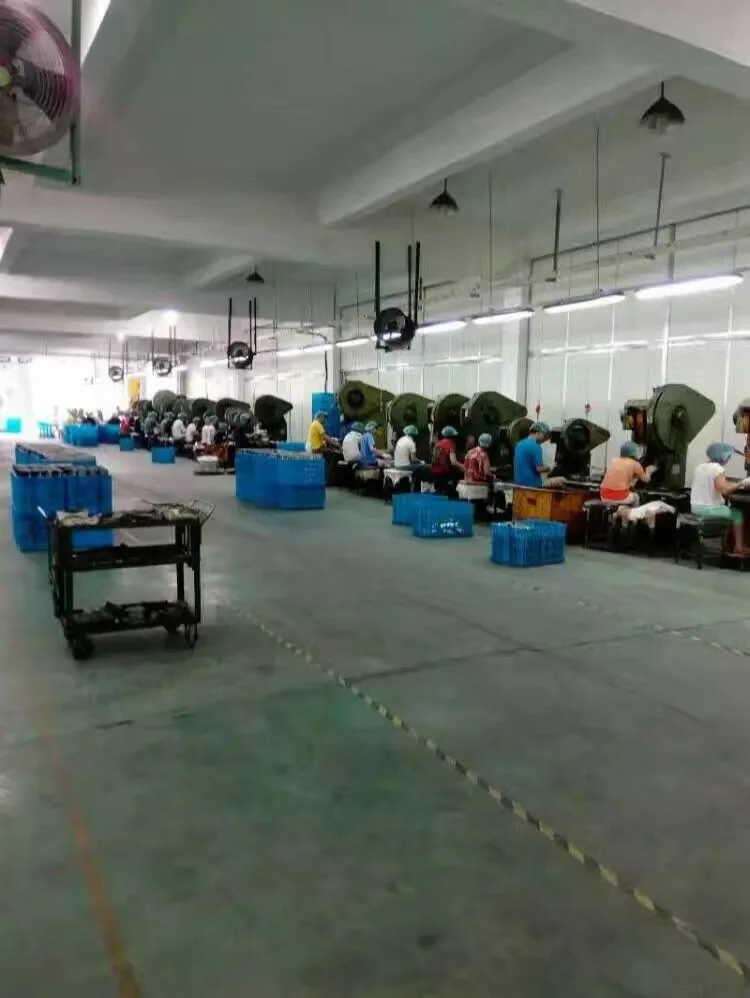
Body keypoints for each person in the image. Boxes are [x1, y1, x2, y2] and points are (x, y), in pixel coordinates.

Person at [691, 442, 750, 554]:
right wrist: (742, 483)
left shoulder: (700, 467)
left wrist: (733, 485)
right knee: (737, 513)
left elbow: (717, 486)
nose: (728, 459)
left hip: (695, 508)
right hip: (709, 510)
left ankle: (726, 546)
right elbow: (724, 490)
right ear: (722, 455)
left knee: (730, 511)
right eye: (728, 456)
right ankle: (739, 547)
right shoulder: (717, 469)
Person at [513, 422, 550, 487]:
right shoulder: (536, 446)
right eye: (544, 435)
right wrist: (549, 467)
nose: (544, 438)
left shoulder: (519, 444)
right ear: (538, 433)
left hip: (518, 484)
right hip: (532, 486)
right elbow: (539, 469)